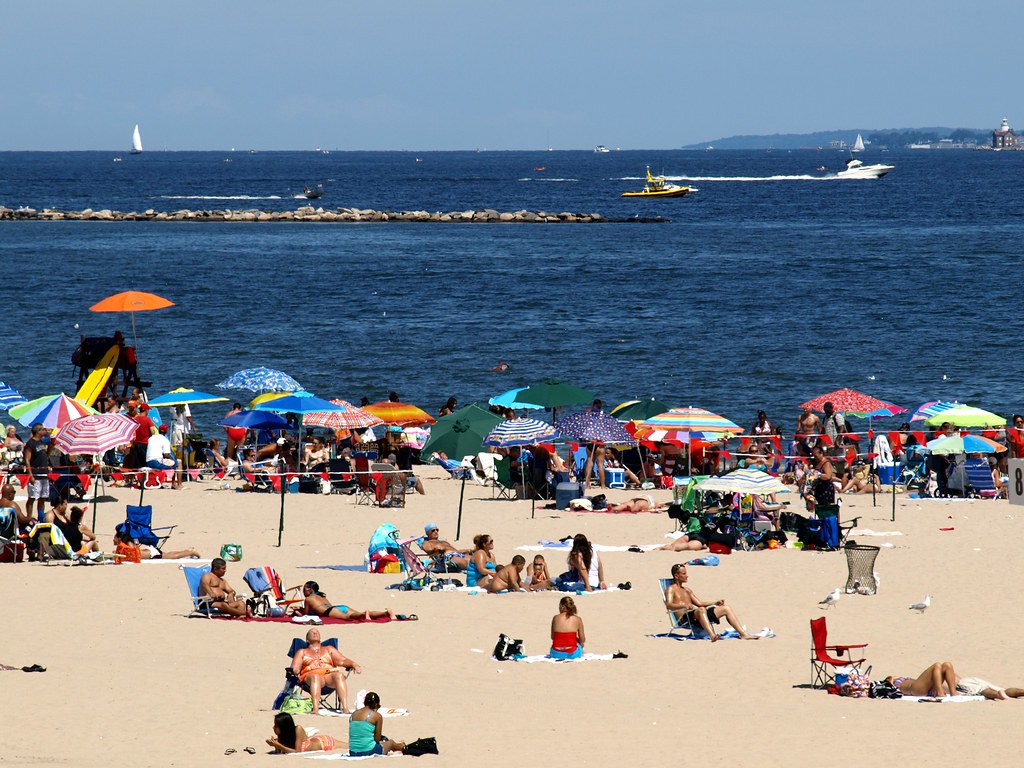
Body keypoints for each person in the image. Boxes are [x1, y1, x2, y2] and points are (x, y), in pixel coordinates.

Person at [664, 563, 759, 641]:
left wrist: (714, 603)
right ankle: (712, 635)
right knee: (701, 610)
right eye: (684, 574)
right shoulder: (671, 589)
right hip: (684, 619)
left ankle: (743, 634)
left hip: (697, 615)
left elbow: (699, 603)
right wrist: (683, 605)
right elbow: (668, 605)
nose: (687, 575)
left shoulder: (687, 590)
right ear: (676, 576)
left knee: (726, 608)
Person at [291, 627, 362, 715]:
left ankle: (345, 708)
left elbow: (342, 660)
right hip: (310, 677)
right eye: (312, 632)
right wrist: (294, 671)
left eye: (317, 632)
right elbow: (295, 667)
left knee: (339, 675)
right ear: (307, 639)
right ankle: (315, 709)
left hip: (328, 676)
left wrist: (353, 664)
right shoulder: (302, 652)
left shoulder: (328, 649)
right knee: (315, 677)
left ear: (320, 639)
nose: (315, 633)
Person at [291, 581, 397, 622]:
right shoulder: (323, 597)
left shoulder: (308, 599)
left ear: (310, 589)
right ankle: (386, 613)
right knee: (357, 613)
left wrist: (297, 612)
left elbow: (306, 614)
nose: (303, 591)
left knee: (350, 617)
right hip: (340, 607)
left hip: (330, 611)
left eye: (304, 589)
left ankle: (365, 614)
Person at [348, 692, 405, 756]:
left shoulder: (353, 715)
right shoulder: (377, 716)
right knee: (391, 743)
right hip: (368, 751)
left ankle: (398, 746)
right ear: (375, 704)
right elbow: (377, 739)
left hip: (352, 752)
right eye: (378, 706)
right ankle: (403, 747)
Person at [266, 711, 340, 754]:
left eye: (276, 726)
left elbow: (297, 752)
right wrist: (275, 745)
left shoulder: (298, 729)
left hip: (325, 742)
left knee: (349, 746)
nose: (273, 728)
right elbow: (280, 752)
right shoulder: (282, 736)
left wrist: (279, 745)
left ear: (283, 726)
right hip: (319, 742)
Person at [23, 423, 51, 522]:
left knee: (42, 497)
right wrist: (30, 475)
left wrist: (51, 447)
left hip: (44, 473)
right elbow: (27, 459)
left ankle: (40, 516)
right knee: (32, 497)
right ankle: (29, 517)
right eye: (43, 429)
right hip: (35, 473)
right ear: (38, 431)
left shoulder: (42, 443)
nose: (45, 431)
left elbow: (45, 456)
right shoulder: (31, 443)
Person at [549, 595, 586, 659]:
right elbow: (582, 639)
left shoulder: (555, 618)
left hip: (556, 653)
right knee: (581, 645)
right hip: (572, 654)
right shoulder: (577, 619)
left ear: (561, 606)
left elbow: (553, 637)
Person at [804, 445, 837, 512]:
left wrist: (817, 474)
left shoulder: (826, 463)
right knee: (819, 507)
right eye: (814, 456)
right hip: (819, 488)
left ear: (821, 453)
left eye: (816, 456)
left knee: (827, 508)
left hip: (826, 489)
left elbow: (828, 476)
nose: (815, 458)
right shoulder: (817, 462)